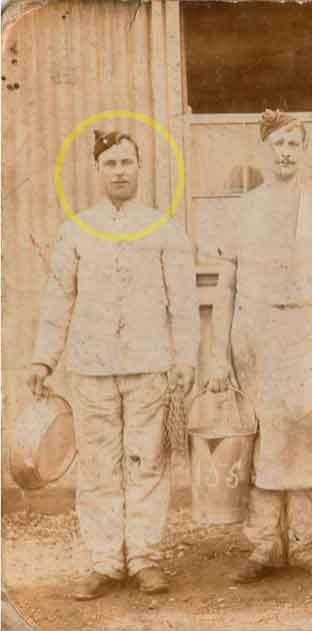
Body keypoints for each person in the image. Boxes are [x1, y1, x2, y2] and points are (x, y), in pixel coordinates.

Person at [28, 131, 200, 600]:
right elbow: (58, 298)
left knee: (146, 462)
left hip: (149, 368)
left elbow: (183, 302)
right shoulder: (76, 230)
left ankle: (144, 557)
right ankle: (105, 560)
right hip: (91, 369)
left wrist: (185, 358)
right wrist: (44, 359)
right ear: (97, 170)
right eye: (111, 163)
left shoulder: (164, 229)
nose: (120, 171)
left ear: (139, 169)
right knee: (100, 467)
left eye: (127, 162)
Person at [205, 110, 312, 583]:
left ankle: (309, 541)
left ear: (304, 150)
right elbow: (225, 286)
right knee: (262, 434)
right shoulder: (244, 208)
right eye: (278, 144)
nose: (286, 152)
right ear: (264, 150)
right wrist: (218, 352)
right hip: (257, 332)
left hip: (309, 328)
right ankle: (264, 545)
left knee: (308, 433)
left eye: (294, 143)